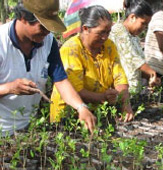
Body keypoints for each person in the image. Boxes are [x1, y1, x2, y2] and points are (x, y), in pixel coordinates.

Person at [0, 0, 96, 134]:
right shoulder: (1, 43)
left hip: (29, 128)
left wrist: (81, 107)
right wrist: (9, 88)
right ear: (23, 17)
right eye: (43, 27)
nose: (47, 32)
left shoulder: (48, 42)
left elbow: (61, 80)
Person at [50, 5, 134, 123]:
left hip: (97, 111)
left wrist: (125, 103)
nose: (105, 37)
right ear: (85, 29)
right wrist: (103, 97)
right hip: (70, 113)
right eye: (100, 33)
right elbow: (75, 90)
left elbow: (119, 77)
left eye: (108, 32)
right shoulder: (72, 49)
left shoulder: (109, 46)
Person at [109, 0, 161, 93]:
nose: (144, 28)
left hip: (133, 91)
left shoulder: (134, 37)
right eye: (143, 23)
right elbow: (133, 58)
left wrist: (150, 77)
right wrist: (152, 73)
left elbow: (139, 65)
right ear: (132, 17)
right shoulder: (119, 31)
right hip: (121, 90)